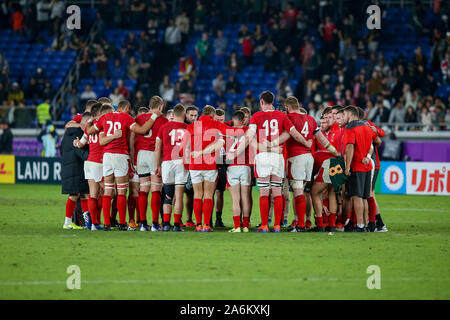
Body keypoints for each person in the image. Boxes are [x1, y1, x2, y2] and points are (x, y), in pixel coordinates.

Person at [227, 91, 312, 233]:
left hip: (262, 157)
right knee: (277, 192)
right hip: (277, 156)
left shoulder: (256, 116)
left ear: (261, 102)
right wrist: (305, 143)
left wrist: (235, 153)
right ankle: (277, 226)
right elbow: (292, 133)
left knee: (264, 193)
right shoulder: (282, 115)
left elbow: (248, 137)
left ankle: (265, 225)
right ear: (272, 101)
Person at [86, 99, 162, 230]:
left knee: (108, 190)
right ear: (126, 108)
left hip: (107, 156)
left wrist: (88, 120)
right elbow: (142, 129)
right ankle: (122, 224)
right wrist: (154, 115)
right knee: (121, 191)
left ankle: (107, 224)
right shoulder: (126, 117)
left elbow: (90, 131)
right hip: (120, 155)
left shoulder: (104, 117)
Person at [134, 96, 168, 231]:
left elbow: (133, 137)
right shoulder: (164, 121)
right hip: (154, 155)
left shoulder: (140, 118)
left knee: (143, 190)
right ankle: (154, 224)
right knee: (156, 190)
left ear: (149, 106)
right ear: (160, 107)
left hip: (141, 155)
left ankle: (143, 224)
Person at [342, 106, 378, 232]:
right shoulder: (367, 127)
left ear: (350, 115)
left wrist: (347, 166)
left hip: (357, 166)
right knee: (364, 197)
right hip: (367, 166)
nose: (344, 117)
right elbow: (373, 145)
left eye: (345, 114)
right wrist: (368, 157)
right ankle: (366, 224)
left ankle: (360, 225)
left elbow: (350, 147)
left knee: (357, 197)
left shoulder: (350, 128)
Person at [154, 104, 188, 231]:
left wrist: (157, 165)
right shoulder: (187, 128)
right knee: (178, 196)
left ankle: (166, 224)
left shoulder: (164, 127)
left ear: (172, 115)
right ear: (184, 115)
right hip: (181, 163)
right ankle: (177, 225)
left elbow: (157, 148)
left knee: (167, 195)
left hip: (167, 162)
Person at [73, 103, 106, 230]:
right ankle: (97, 222)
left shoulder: (88, 127)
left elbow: (81, 144)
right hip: (99, 161)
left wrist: (76, 143)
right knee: (107, 192)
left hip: (89, 162)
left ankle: (93, 224)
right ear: (99, 113)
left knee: (93, 193)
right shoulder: (102, 125)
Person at [61, 112, 90, 230]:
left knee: (83, 193)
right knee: (74, 194)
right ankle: (67, 223)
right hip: (75, 166)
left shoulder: (69, 132)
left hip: (73, 165)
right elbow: (78, 151)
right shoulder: (78, 133)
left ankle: (88, 221)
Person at [224, 111, 252, 232]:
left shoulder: (227, 131)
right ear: (243, 120)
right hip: (245, 166)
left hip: (232, 166)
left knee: (235, 199)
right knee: (245, 197)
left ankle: (237, 227)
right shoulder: (247, 130)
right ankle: (245, 225)